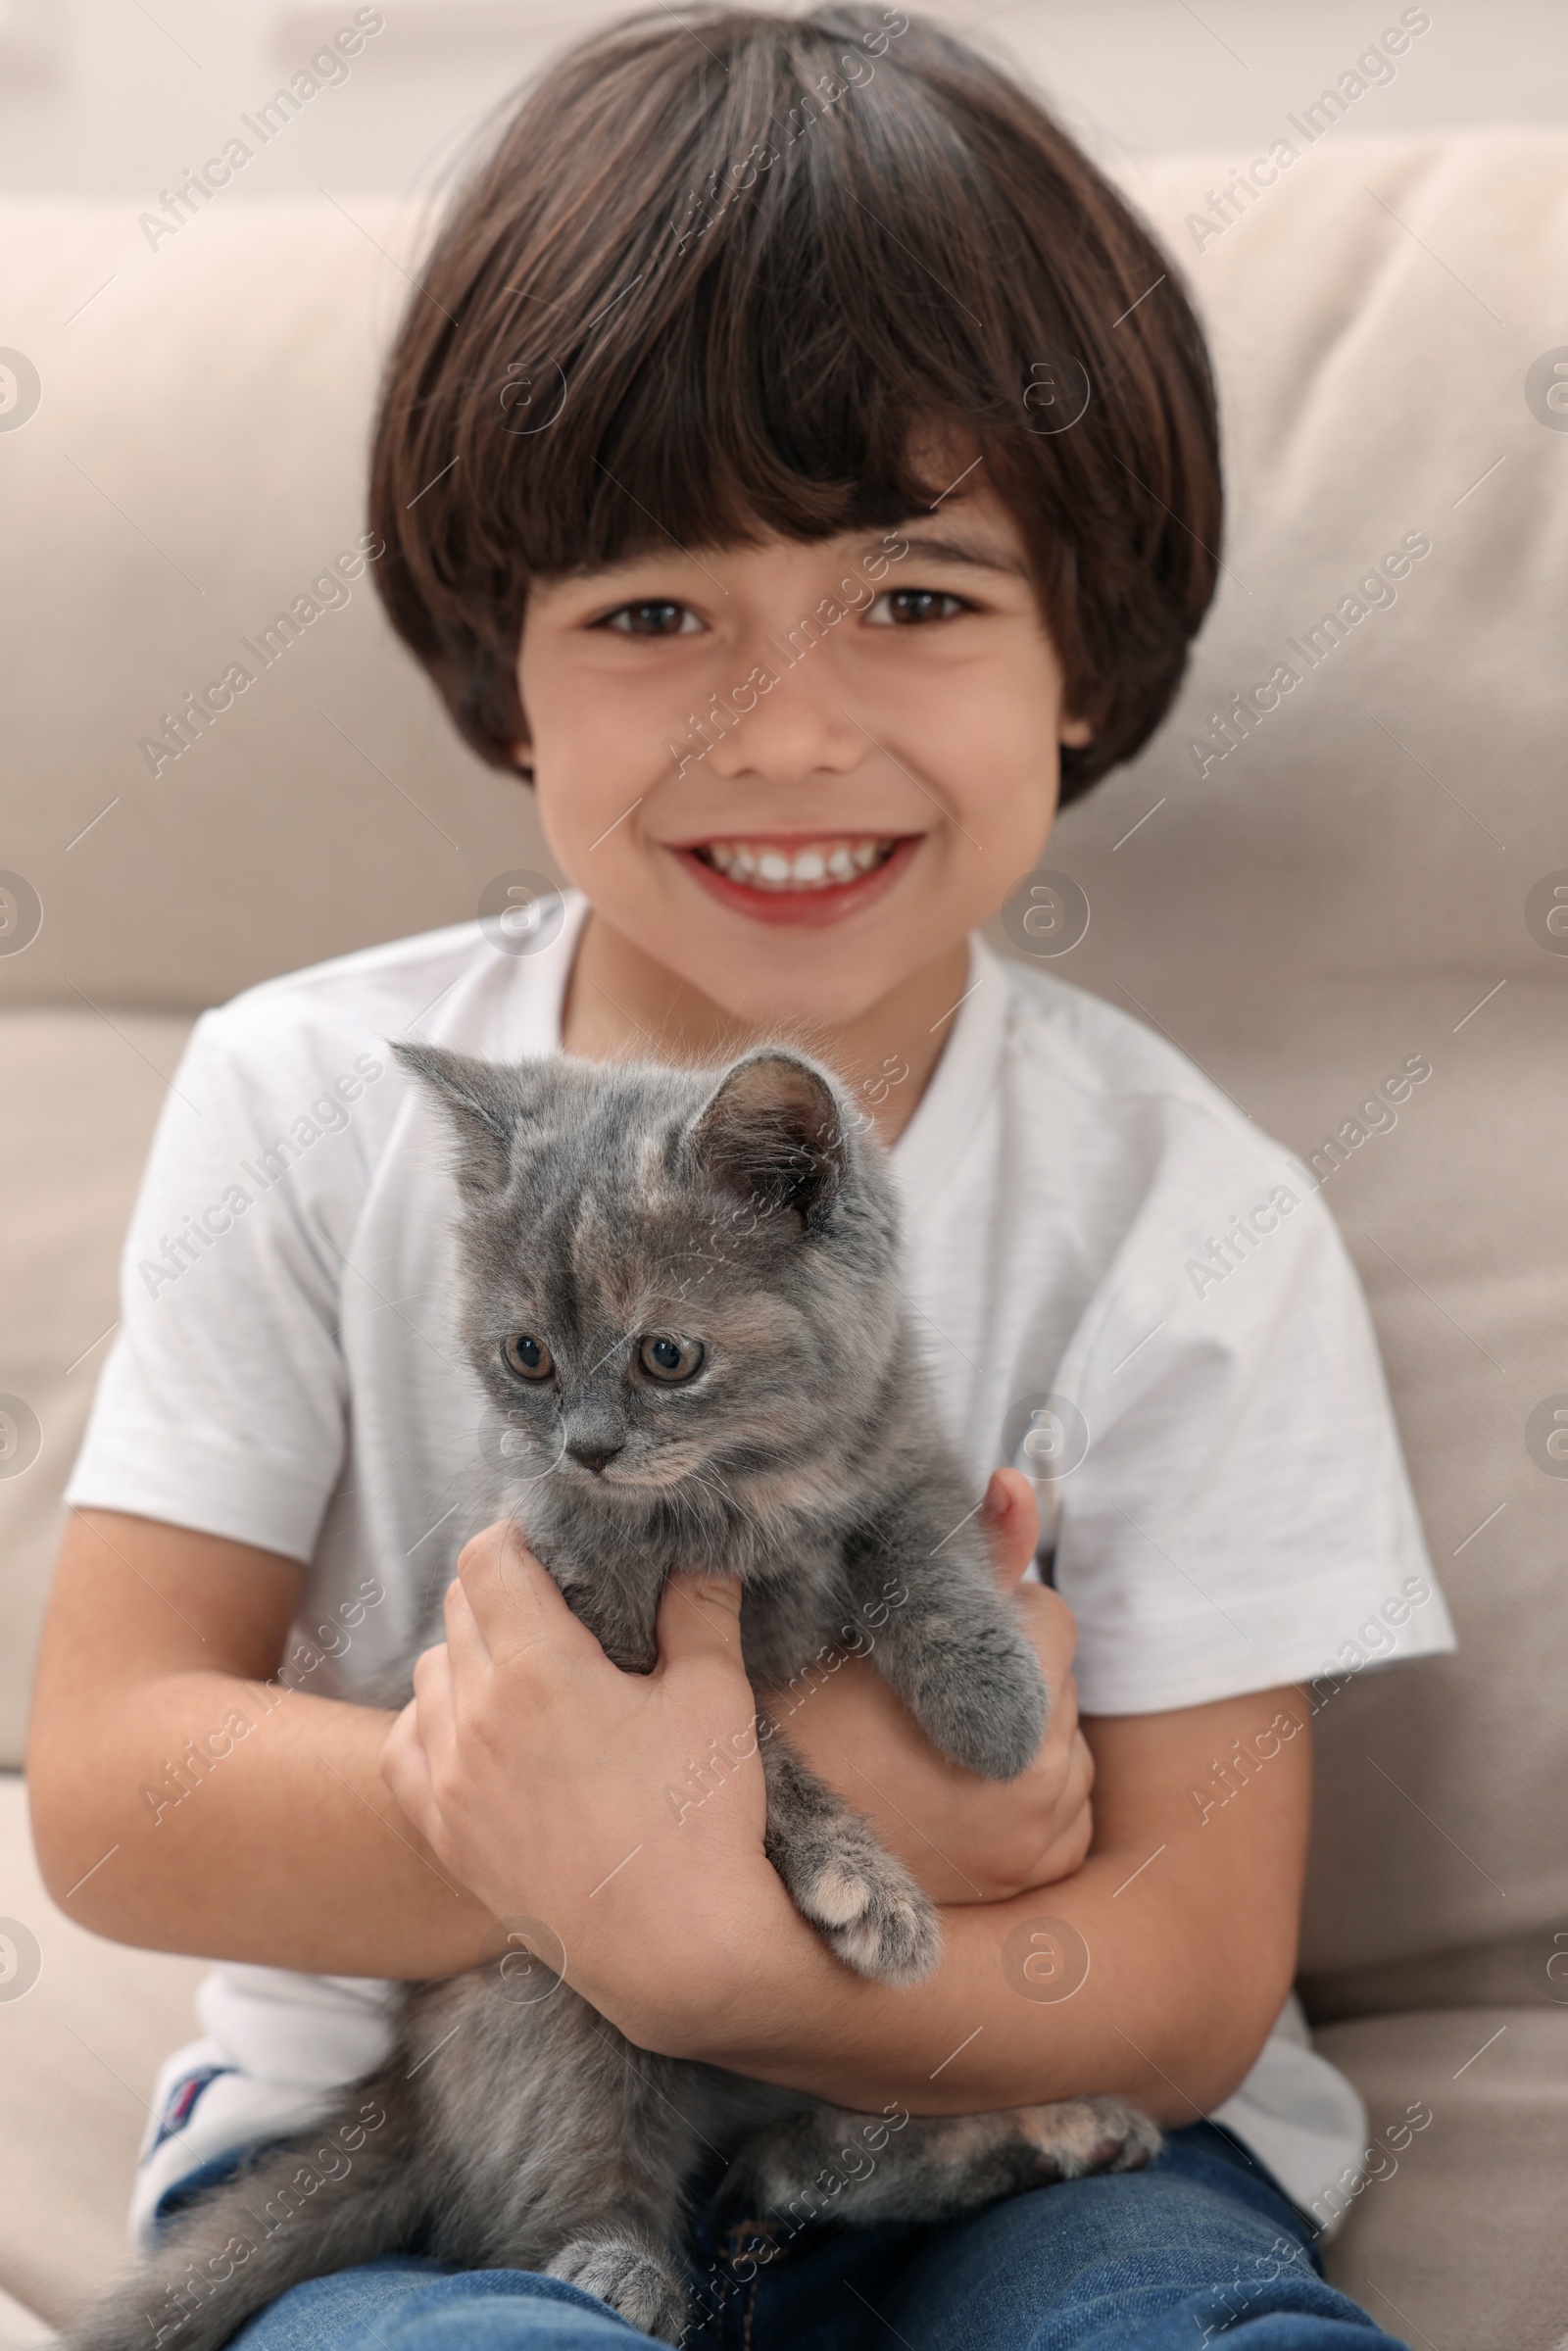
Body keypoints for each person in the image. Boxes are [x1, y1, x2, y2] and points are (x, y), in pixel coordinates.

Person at [28, 6, 1456, 2344]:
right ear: (505, 669)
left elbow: (1185, 1979)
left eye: (910, 598)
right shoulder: (304, 1101)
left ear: (1079, 651)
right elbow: (113, 1790)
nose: (781, 729)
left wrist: (724, 1935)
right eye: (648, 612)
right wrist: (710, 1816)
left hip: (1010, 2150)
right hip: (438, 2164)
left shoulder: (1192, 1216)